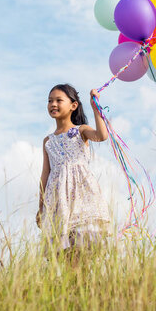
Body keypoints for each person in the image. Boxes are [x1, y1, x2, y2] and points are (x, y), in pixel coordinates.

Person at [36, 83, 111, 257]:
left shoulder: (81, 131)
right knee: (64, 253)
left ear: (73, 105)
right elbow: (45, 174)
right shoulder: (48, 140)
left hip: (81, 195)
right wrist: (41, 207)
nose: (53, 104)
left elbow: (102, 136)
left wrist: (95, 108)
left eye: (58, 100)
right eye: (50, 101)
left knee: (82, 246)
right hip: (57, 198)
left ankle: (85, 282)